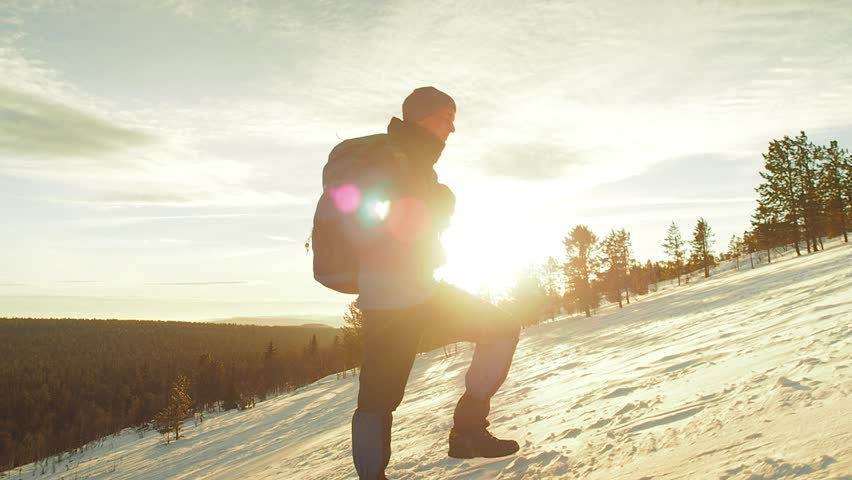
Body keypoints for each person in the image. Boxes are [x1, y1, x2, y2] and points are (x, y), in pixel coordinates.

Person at [349, 87, 521, 480]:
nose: (453, 128)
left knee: (500, 328)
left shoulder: (410, 158)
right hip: (393, 293)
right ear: (423, 118)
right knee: (379, 397)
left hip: (410, 288)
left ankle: (468, 434)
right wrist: (441, 203)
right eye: (447, 116)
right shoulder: (395, 158)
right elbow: (394, 224)